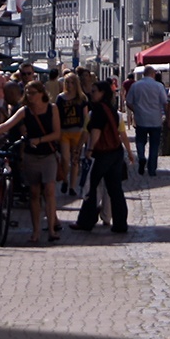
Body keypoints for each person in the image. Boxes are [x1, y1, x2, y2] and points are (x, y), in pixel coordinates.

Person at [0, 80, 61, 244]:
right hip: (31, 156)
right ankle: (36, 231)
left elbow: (57, 133)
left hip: (48, 155)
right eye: (27, 93)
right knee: (34, 194)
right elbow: (6, 125)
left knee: (49, 191)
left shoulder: (52, 109)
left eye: (33, 93)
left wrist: (40, 140)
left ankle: (51, 229)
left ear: (42, 93)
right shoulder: (24, 111)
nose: (30, 96)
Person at [69, 80, 134, 233]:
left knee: (90, 187)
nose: (91, 94)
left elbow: (94, 131)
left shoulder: (97, 110)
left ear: (102, 93)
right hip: (116, 152)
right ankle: (120, 224)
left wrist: (89, 150)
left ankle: (86, 221)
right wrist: (129, 152)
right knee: (115, 189)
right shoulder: (113, 110)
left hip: (101, 154)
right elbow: (122, 134)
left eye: (94, 91)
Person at [125, 65, 168, 176]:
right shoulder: (159, 86)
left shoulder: (135, 86)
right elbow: (165, 102)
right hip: (155, 119)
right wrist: (167, 117)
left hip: (141, 119)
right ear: (153, 74)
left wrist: (135, 110)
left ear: (144, 74)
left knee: (140, 141)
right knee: (154, 144)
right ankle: (152, 169)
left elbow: (128, 102)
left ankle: (141, 157)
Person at [56, 72, 88, 195]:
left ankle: (72, 187)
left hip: (77, 132)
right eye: (67, 82)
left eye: (72, 82)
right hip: (64, 132)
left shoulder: (82, 98)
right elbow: (57, 116)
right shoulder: (60, 98)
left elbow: (86, 117)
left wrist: (86, 134)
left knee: (75, 160)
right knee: (65, 159)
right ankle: (65, 180)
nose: (69, 85)